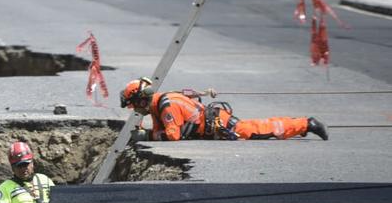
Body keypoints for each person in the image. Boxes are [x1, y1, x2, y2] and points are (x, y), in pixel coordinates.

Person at [120, 77, 329, 142]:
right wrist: (149, 133)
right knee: (257, 129)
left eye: (134, 105)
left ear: (141, 100)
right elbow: (161, 129)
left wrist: (148, 136)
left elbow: (172, 135)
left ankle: (306, 124)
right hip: (212, 122)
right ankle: (301, 125)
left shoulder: (166, 105)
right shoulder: (158, 104)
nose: (135, 110)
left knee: (257, 130)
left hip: (219, 124)